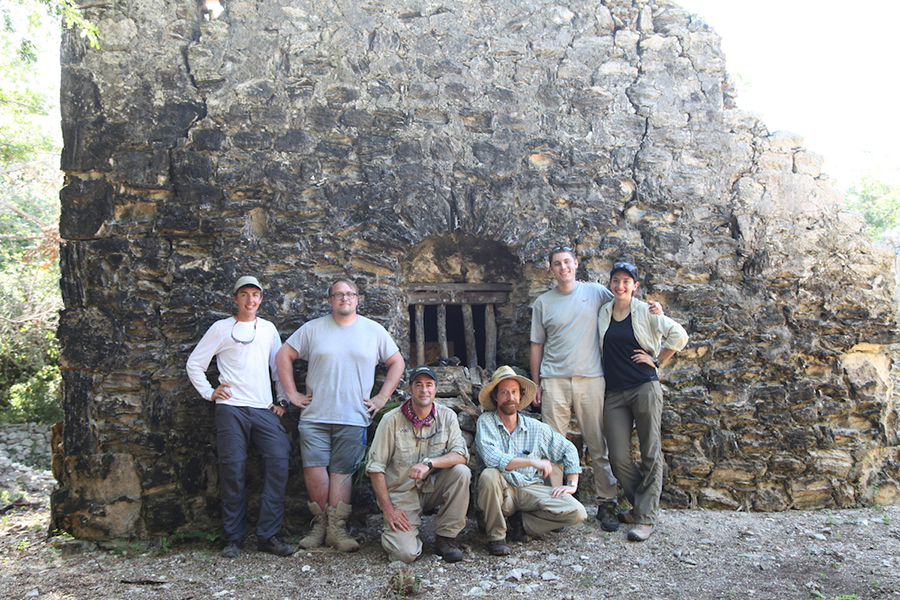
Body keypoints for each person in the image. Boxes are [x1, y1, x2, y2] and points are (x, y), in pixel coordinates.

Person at [530, 245, 663, 532]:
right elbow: (536, 344)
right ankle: (558, 506)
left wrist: (657, 310)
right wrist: (537, 382)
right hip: (554, 380)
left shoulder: (596, 292)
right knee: (553, 447)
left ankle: (607, 501)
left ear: (576, 264)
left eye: (567, 262)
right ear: (550, 269)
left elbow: (627, 303)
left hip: (592, 379)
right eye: (557, 263)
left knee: (598, 444)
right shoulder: (542, 303)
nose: (563, 267)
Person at [276, 278, 405, 552]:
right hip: (314, 415)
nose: (344, 298)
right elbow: (283, 355)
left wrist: (382, 398)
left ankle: (338, 529)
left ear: (357, 299)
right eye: (338, 295)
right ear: (330, 300)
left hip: (354, 415)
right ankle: (320, 525)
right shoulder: (312, 329)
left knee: (342, 472)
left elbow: (397, 362)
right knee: (314, 469)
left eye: (349, 294)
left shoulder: (373, 330)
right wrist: (291, 394)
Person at [185, 275, 294, 558]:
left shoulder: (268, 329)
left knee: (280, 460)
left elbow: (277, 367)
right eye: (244, 294)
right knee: (233, 470)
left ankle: (268, 534)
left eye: (255, 295)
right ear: (235, 299)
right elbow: (195, 364)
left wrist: (281, 400)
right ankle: (234, 538)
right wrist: (210, 392)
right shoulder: (221, 328)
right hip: (231, 409)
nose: (250, 300)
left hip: (263, 408)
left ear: (261, 299)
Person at [598, 262, 688, 542]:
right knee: (618, 457)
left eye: (627, 281)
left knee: (650, 451)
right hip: (614, 392)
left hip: (644, 386)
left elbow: (679, 336)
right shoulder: (604, 311)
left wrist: (657, 360)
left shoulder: (646, 310)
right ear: (610, 283)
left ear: (635, 286)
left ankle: (646, 518)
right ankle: (642, 506)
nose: (620, 285)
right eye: (616, 280)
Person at [475, 366, 587, 556]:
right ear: (495, 397)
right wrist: (532, 462)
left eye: (514, 392)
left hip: (529, 489)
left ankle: (522, 525)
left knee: (577, 512)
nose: (510, 397)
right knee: (489, 475)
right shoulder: (486, 421)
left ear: (520, 396)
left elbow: (567, 448)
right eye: (504, 392)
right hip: (502, 491)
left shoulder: (535, 427)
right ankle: (496, 536)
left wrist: (572, 483)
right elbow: (492, 459)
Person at [366, 365, 470, 563]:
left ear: (436, 389)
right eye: (419, 385)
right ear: (410, 390)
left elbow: (461, 455)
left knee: (461, 472)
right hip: (403, 494)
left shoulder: (447, 416)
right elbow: (375, 468)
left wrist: (430, 463)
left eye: (429, 385)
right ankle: (404, 534)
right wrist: (388, 510)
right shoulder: (391, 421)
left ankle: (446, 539)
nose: (424, 390)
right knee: (404, 554)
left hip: (433, 487)